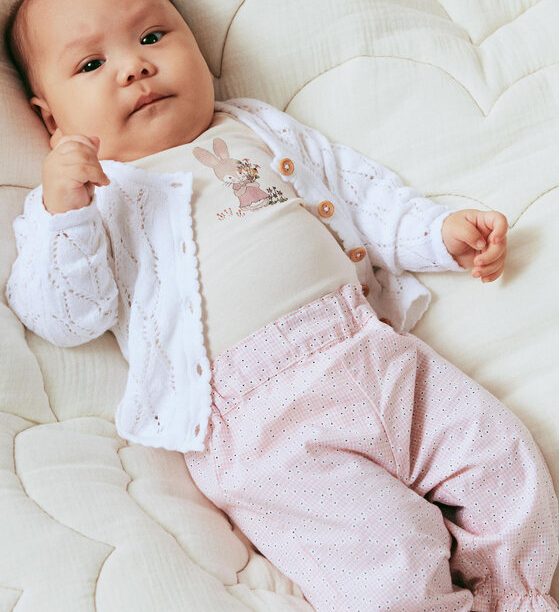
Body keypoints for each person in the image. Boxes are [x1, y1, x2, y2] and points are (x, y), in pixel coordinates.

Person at [4, 0, 558, 609]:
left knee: (501, 460)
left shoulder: (255, 126)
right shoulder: (86, 200)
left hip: (371, 348)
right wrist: (65, 210)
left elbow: (359, 191)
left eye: (154, 35)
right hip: (262, 422)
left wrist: (435, 233)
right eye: (90, 64)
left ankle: (519, 596)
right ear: (50, 117)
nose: (134, 67)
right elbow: (63, 315)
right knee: (384, 557)